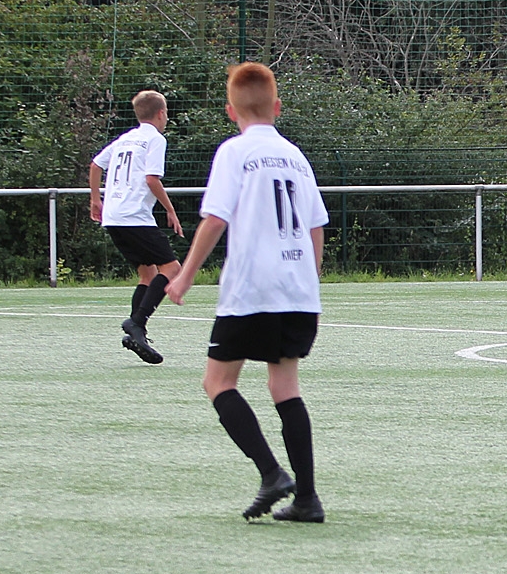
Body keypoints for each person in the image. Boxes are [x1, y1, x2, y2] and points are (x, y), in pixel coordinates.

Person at [165, 62, 329, 523]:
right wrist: (310, 281)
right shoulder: (295, 156)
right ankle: (307, 499)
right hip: (298, 291)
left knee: (218, 382)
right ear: (277, 107)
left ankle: (272, 474)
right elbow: (316, 226)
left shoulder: (234, 152)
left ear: (230, 111)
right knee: (285, 386)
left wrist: (186, 275)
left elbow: (215, 218)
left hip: (252, 288)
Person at [90, 89, 185, 364]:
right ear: (161, 113)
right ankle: (137, 323)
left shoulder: (125, 139)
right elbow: (152, 179)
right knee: (172, 269)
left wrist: (96, 200)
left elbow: (95, 165)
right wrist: (170, 210)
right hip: (133, 216)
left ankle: (137, 334)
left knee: (148, 274)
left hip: (114, 217)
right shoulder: (155, 139)